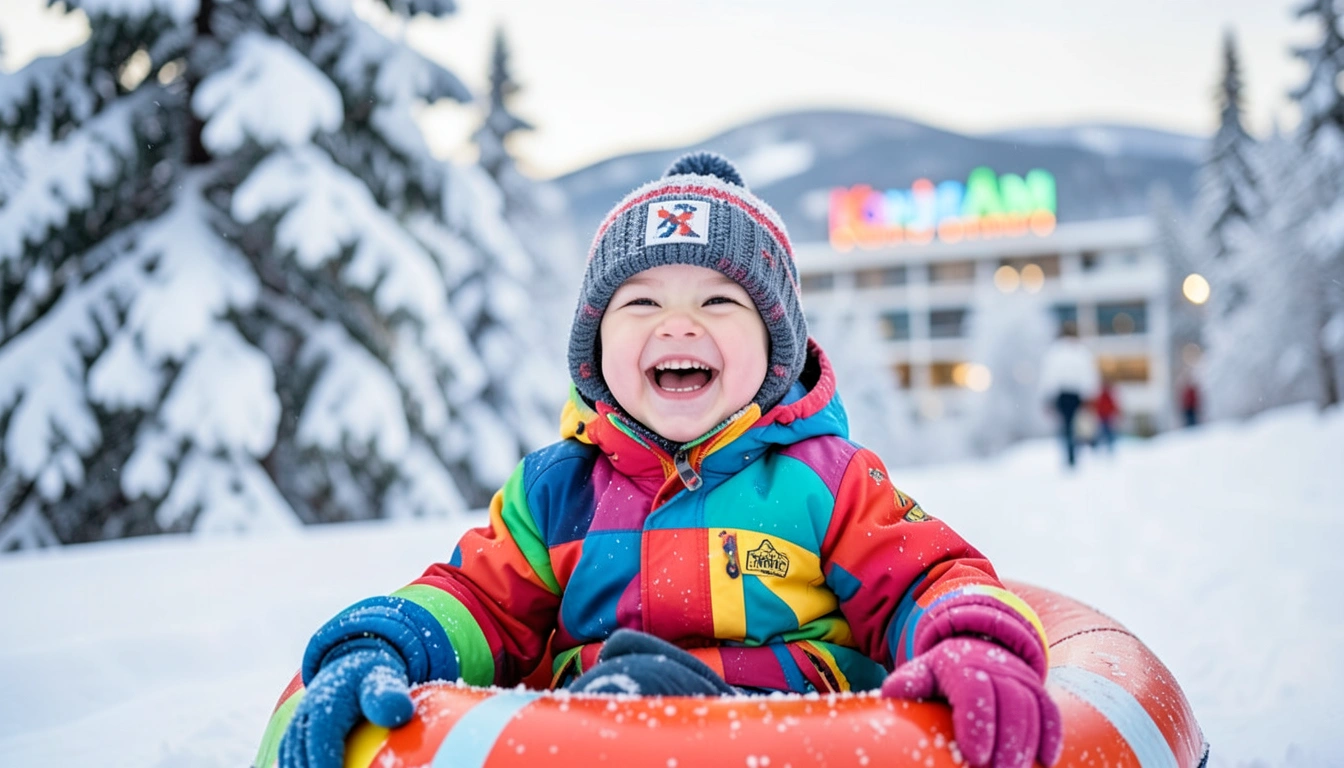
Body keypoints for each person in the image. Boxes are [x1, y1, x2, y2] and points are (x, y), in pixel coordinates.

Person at [277, 154, 1062, 768]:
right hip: (587, 742)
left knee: (646, 686)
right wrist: (388, 641)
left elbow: (925, 578)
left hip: (797, 739)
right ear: (596, 349)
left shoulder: (828, 480)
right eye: (642, 303)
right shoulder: (557, 491)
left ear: (775, 351)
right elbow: (478, 601)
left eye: (719, 301)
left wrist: (970, 643)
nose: (679, 325)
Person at [1038, 322, 1100, 468]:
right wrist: (1091, 394)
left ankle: (1069, 452)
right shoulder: (1081, 351)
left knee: (1066, 424)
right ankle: (1076, 449)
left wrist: (1047, 397)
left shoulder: (1055, 352)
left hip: (1062, 394)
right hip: (1078, 394)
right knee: (1078, 424)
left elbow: (1049, 376)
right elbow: (1089, 375)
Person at [1091, 379, 1119, 452]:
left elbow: (1112, 406)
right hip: (1103, 417)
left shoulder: (1107, 396)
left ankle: (1108, 446)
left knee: (1106, 432)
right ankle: (1099, 446)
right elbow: (1098, 406)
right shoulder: (1102, 396)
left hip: (1107, 417)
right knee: (1103, 432)